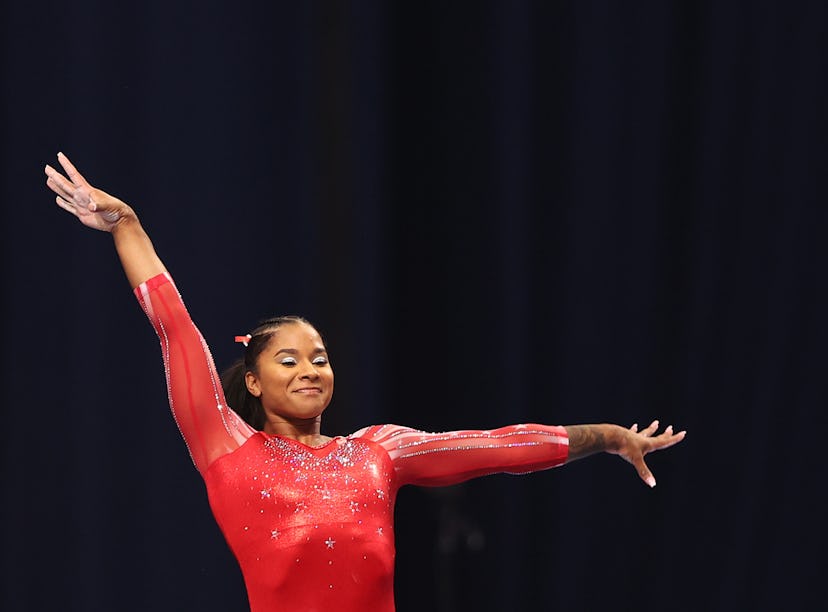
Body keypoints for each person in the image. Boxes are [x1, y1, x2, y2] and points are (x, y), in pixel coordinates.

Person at [45, 152, 686, 612]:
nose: (310, 369)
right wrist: (127, 226)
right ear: (256, 383)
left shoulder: (378, 451)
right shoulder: (224, 446)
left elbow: (497, 445)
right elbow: (175, 330)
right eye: (289, 360)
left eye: (319, 357)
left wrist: (606, 436)